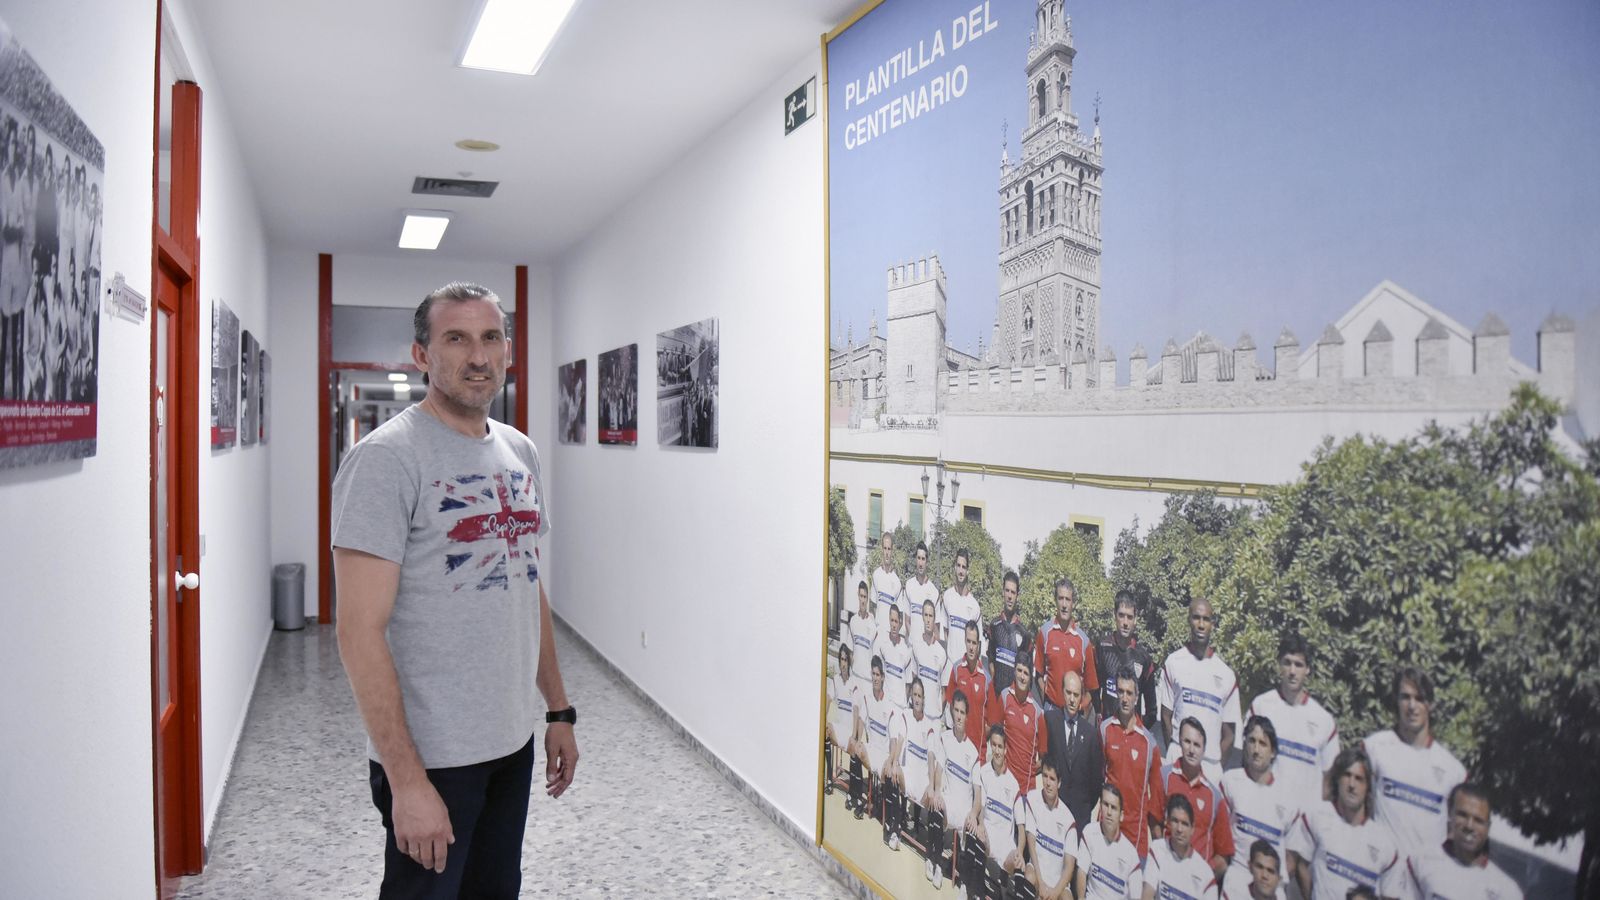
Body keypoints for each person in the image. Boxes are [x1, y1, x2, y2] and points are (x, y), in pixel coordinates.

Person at [332, 282, 578, 899]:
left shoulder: (519, 451)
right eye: (456, 339)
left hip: (509, 741)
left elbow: (526, 588)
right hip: (434, 757)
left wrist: (557, 710)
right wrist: (407, 780)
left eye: (490, 337)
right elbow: (358, 632)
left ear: (508, 351)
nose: (478, 355)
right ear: (421, 356)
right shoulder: (386, 461)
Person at [1362, 667, 1466, 865]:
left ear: (1431, 704)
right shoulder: (1374, 747)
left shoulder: (1454, 771)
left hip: (1424, 885)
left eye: (1420, 698)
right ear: (1396, 701)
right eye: (1405, 697)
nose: (1412, 706)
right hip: (1378, 878)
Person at [1286, 747, 1403, 900]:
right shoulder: (1316, 817)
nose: (1352, 785)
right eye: (1347, 775)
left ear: (1368, 786)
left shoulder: (1385, 844)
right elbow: (1300, 864)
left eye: (1359, 778)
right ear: (1337, 779)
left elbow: (1390, 895)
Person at [1158, 598, 1241, 782]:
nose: (1201, 624)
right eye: (1196, 618)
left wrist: (1215, 766)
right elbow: (1165, 717)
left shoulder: (1226, 675)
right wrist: (1174, 750)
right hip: (1177, 759)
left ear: (1213, 623)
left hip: (1209, 767)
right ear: (1189, 620)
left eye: (1206, 619)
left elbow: (1229, 735)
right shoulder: (1174, 662)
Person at [1248, 634, 1338, 804]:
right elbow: (1246, 761)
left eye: (1298, 665)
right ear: (1279, 664)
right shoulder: (1261, 706)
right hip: (1264, 811)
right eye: (1287, 663)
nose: (1292, 671)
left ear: (1308, 669)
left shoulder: (1323, 721)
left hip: (1302, 824)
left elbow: (1329, 781)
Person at [1219, 716, 1298, 900]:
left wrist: (1274, 884)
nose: (1256, 750)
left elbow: (1291, 857)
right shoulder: (1230, 781)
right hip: (1235, 883)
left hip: (1270, 889)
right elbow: (1219, 837)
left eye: (1263, 743)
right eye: (1252, 741)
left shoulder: (1288, 796)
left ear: (1273, 752)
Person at [1402, 782, 1522, 900]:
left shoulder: (1507, 891)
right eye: (1462, 815)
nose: (1469, 826)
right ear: (1450, 815)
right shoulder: (1420, 861)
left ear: (1488, 827)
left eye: (1478, 820)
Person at [1101, 666, 1165, 860]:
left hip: (1135, 836)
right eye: (1121, 692)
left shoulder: (1149, 743)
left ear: (1137, 697)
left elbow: (1157, 799)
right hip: (1107, 827)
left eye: (1129, 693)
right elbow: (1098, 777)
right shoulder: (1104, 730)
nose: (1125, 698)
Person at [1160, 717, 1235, 878]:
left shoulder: (1214, 797)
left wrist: (1202, 876)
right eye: (1187, 742)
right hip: (1166, 876)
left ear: (1204, 749)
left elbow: (1224, 854)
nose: (1192, 750)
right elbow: (1154, 824)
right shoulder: (1164, 777)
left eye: (1197, 745)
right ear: (1179, 742)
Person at [966, 724, 1025, 900]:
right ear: (990, 745)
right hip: (989, 835)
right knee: (975, 833)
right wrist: (981, 824)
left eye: (1000, 746)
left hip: (1006, 844)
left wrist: (1020, 851)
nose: (997, 751)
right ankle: (972, 891)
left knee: (1019, 864)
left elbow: (1021, 828)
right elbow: (980, 806)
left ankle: (1003, 892)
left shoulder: (1014, 784)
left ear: (1006, 749)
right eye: (994, 745)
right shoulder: (984, 773)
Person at [931, 689, 981, 891]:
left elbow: (978, 796)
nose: (959, 716)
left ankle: (964, 884)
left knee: (971, 827)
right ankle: (934, 862)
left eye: (962, 712)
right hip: (949, 801)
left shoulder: (973, 751)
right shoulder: (945, 739)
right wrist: (936, 792)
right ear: (951, 713)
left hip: (965, 810)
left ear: (967, 716)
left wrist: (974, 813)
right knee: (936, 806)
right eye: (956, 711)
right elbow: (938, 771)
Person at [1042, 670, 1104, 828]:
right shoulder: (1050, 721)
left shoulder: (1090, 734)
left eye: (1076, 695)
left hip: (1079, 817)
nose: (1071, 699)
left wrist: (1084, 807)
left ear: (1081, 697)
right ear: (1062, 692)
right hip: (1052, 810)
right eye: (1068, 693)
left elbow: (1096, 782)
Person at [987, 645, 1049, 792]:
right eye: (1019, 671)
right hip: (1003, 778)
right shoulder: (1004, 697)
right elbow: (994, 734)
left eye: (1026, 673)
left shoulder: (1038, 712)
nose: (1022, 676)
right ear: (1014, 672)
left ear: (1030, 677)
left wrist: (1031, 770)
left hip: (1026, 788)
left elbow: (1043, 755)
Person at [1020, 754, 1081, 900]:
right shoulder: (1033, 799)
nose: (1047, 783)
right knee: (1028, 876)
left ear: (1059, 783)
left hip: (1057, 884)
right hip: (1037, 872)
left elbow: (1069, 866)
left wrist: (1054, 893)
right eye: (1045, 776)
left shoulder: (1069, 820)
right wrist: (1040, 882)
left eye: (1052, 779)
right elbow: (1032, 845)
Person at [1035, 577, 1099, 714]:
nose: (1064, 604)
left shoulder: (1084, 641)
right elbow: (1038, 674)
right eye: (1060, 598)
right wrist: (1045, 697)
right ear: (1055, 600)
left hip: (1074, 715)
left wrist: (1081, 707)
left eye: (1068, 599)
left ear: (1073, 603)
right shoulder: (1045, 633)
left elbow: (1092, 687)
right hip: (1051, 709)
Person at [896, 679, 943, 864]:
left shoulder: (929, 726)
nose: (916, 699)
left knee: (933, 800)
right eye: (914, 695)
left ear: (924, 699)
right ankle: (896, 827)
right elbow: (899, 742)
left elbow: (931, 759)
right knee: (895, 773)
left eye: (919, 696)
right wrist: (894, 762)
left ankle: (932, 857)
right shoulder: (905, 716)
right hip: (908, 772)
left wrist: (931, 786)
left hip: (921, 779)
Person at [1072, 784, 1144, 900]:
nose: (1109, 812)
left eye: (1114, 808)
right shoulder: (1089, 832)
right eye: (1106, 805)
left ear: (1121, 816)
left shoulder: (1131, 855)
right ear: (1100, 806)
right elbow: (1081, 872)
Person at [1095, 593, 1158, 724]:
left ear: (1135, 620)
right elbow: (1093, 692)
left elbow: (1152, 710)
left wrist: (1138, 732)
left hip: (1132, 739)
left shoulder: (1144, 658)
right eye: (1121, 615)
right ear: (1114, 615)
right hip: (1107, 735)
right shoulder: (1102, 647)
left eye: (1129, 617)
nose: (1125, 622)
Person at [1141, 795, 1218, 900]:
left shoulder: (1206, 875)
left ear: (1192, 829)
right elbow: (1147, 894)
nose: (1179, 829)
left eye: (1185, 824)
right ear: (1168, 822)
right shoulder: (1157, 850)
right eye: (1175, 821)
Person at [947, 619, 993, 747]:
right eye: (968, 642)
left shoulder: (987, 679)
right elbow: (951, 703)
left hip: (978, 750)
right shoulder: (957, 669)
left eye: (974, 643)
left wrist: (982, 739)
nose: (971, 647)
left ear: (978, 644)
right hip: (959, 744)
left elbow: (990, 721)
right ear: (965, 642)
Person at [940, 547, 986, 675]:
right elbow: (944, 634)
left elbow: (979, 645)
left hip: (967, 669)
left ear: (968, 571)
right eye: (958, 566)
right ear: (955, 568)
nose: (961, 571)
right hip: (948, 668)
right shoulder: (947, 597)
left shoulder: (975, 606)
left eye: (964, 567)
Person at [990, 571, 1028, 699]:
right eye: (1007, 591)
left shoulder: (1023, 633)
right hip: (996, 697)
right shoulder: (994, 625)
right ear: (1003, 592)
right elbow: (991, 659)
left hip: (1014, 700)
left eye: (1013, 592)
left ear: (1018, 595)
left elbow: (1025, 672)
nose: (1010, 596)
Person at [871, 604, 916, 710]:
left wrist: (903, 705)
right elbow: (878, 674)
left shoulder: (907, 650)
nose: (894, 625)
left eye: (896, 621)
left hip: (900, 706)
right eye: (892, 621)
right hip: (885, 702)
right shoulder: (883, 644)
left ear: (900, 623)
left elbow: (908, 684)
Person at [911, 598, 949, 721]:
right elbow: (913, 680)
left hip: (934, 718)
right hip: (919, 715)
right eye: (926, 615)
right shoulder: (916, 647)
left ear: (934, 619)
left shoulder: (942, 653)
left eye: (931, 616)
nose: (928, 619)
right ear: (922, 617)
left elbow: (944, 691)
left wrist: (938, 713)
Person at [825, 643, 855, 796]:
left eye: (845, 660)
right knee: (826, 730)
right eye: (841, 659)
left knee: (855, 745)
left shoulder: (854, 682)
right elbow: (828, 700)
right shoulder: (835, 680)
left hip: (850, 731)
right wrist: (824, 720)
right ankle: (830, 779)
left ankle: (853, 793)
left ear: (849, 662)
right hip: (839, 729)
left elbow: (859, 712)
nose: (843, 663)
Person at [904, 541, 939, 641]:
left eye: (923, 559)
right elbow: (907, 621)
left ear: (927, 562)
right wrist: (914, 643)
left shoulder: (934, 592)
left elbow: (936, 630)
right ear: (915, 560)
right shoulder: (909, 585)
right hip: (912, 648)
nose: (920, 563)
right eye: (918, 558)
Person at [871, 532, 905, 636]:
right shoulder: (876, 575)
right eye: (885, 548)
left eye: (889, 549)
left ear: (892, 551)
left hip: (891, 636)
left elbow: (900, 616)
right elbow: (872, 608)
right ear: (882, 549)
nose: (887, 552)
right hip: (877, 633)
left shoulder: (897, 582)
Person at [847, 580, 878, 690]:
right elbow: (850, 652)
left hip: (868, 681)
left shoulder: (873, 623)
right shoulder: (853, 621)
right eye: (861, 596)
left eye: (865, 597)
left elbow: (876, 654)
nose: (863, 600)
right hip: (855, 677)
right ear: (858, 596)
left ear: (868, 598)